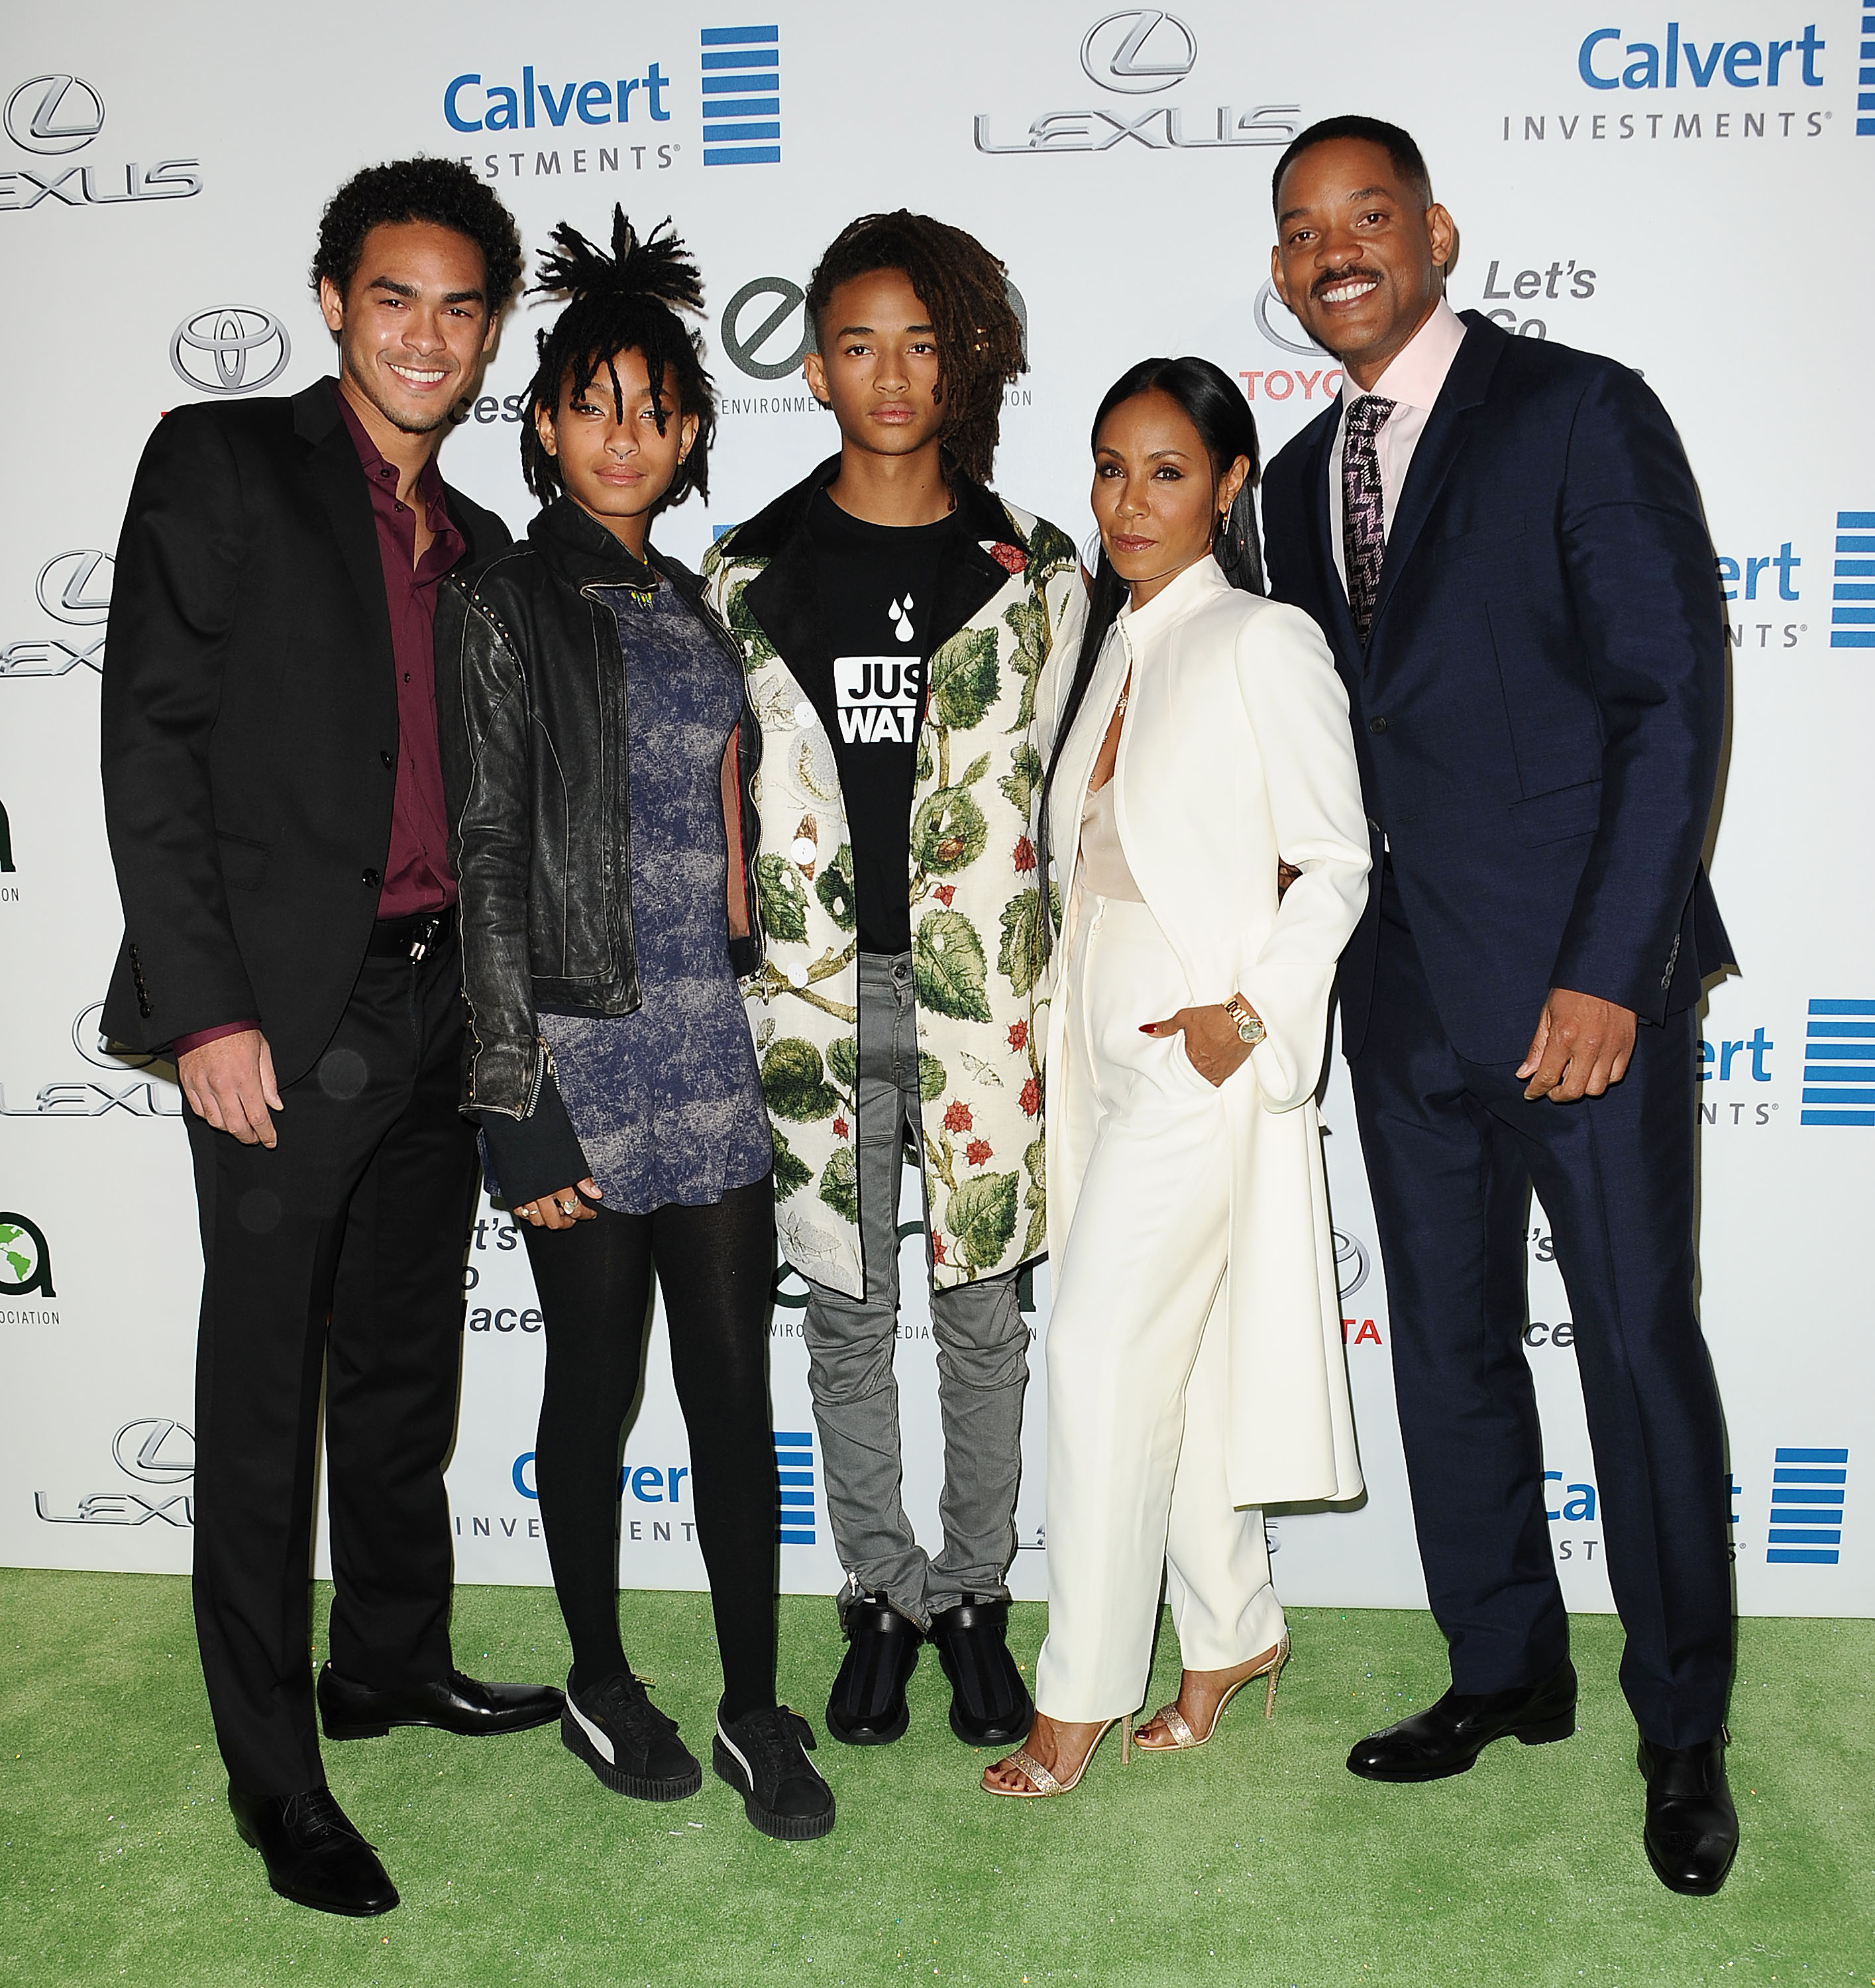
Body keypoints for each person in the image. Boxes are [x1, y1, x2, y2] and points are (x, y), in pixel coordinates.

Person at [1260, 116, 1738, 1895]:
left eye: (1363, 217)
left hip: (1574, 999)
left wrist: (1609, 970)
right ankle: (1499, 1668)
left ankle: (1677, 1730)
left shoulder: (1573, 408)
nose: (1332, 252)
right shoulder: (1294, 478)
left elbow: (1663, 698)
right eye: (1298, 228)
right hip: (1400, 1007)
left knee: (1628, 1352)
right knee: (1448, 1361)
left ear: (1434, 231)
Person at [99, 159, 561, 1919]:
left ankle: (388, 1661)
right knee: (260, 1403)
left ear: (490, 329)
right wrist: (207, 1008)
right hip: (287, 1016)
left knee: (396, 1369)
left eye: (459, 307)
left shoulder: (484, 547)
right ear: (330, 301)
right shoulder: (221, 467)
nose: (426, 335)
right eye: (394, 298)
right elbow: (152, 748)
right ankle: (274, 1778)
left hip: (443, 1004)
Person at [435, 209, 833, 1843]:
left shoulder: (694, 597)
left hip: (708, 1052)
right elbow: (477, 861)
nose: (623, 433)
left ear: (686, 433)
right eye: (591, 402)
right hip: (578, 1064)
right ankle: (600, 1677)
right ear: (542, 422)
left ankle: (752, 1705)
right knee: (593, 1387)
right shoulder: (501, 602)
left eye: (654, 408)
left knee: (734, 1391)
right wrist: (514, 1109)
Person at [703, 211, 1080, 1751]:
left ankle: (977, 1595)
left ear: (963, 358)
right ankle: (877, 1595)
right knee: (845, 1319)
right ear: (813, 365)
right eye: (858, 343)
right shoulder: (746, 573)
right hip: (808, 998)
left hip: (984, 995)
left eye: (922, 342)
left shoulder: (1037, 572)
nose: (892, 375)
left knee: (981, 1318)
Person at [981, 360, 1369, 1798]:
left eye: (1162, 471)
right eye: (1107, 468)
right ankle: (1231, 1634)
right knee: (1180, 1366)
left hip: (1197, 1066)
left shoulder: (1261, 639)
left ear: (1224, 486)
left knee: (1088, 1358)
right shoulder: (1107, 647)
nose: (1127, 500)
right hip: (1085, 1055)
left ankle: (1073, 1692)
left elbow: (1334, 860)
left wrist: (1249, 1018)